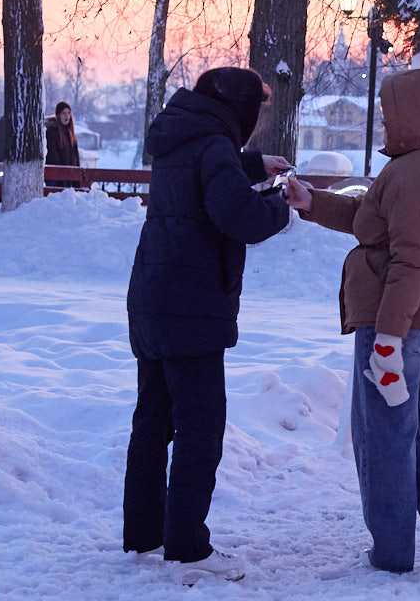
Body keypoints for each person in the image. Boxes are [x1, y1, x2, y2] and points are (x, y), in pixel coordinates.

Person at [285, 68, 420, 574]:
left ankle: (392, 552)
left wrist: (389, 338)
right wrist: (313, 202)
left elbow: (410, 259)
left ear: (411, 112)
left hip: (401, 324)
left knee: (385, 440)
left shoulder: (414, 174)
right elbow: (373, 221)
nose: (384, 118)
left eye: (389, 109)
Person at [122, 67, 291, 586]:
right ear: (238, 108)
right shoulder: (214, 144)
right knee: (200, 429)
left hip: (152, 298)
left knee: (153, 421)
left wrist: (253, 164)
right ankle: (188, 549)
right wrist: (279, 206)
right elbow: (238, 216)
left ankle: (145, 534)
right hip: (190, 307)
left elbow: (203, 174)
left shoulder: (178, 136)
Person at [45, 102, 80, 187]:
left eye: (68, 113)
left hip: (69, 174)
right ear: (58, 115)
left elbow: (75, 155)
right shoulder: (52, 131)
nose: (66, 116)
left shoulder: (70, 132)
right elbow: (53, 155)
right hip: (56, 176)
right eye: (63, 113)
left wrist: (77, 175)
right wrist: (62, 175)